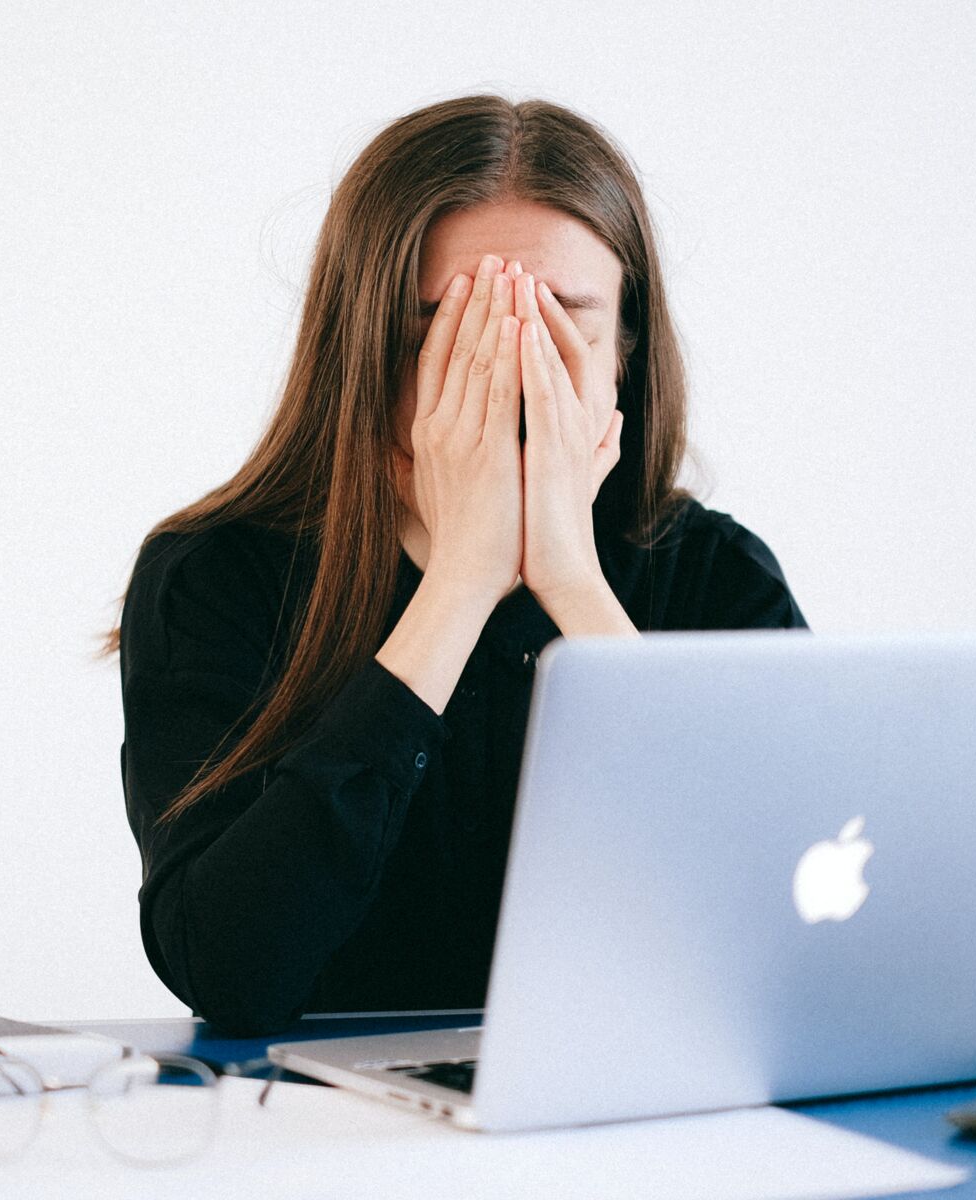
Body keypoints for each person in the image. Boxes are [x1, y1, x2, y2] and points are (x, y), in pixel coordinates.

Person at [97, 94, 808, 1037]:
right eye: (453, 330)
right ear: (366, 351)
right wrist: (460, 586)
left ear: (626, 354)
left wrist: (570, 581)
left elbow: (786, 936)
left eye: (562, 326)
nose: (510, 373)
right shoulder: (215, 577)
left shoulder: (715, 574)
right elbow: (230, 970)